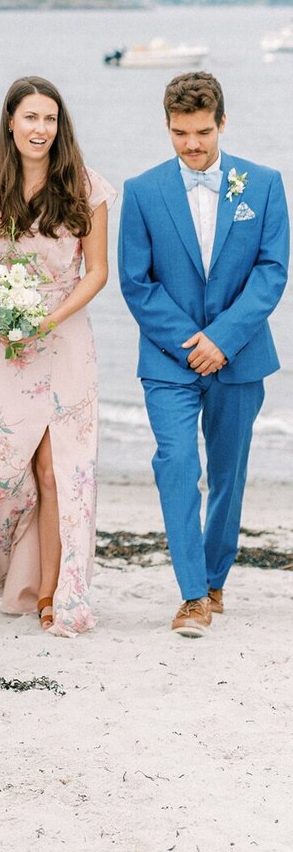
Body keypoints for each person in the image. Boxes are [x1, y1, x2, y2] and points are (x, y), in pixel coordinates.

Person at [0, 76, 112, 637]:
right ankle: (3, 572)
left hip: (63, 339)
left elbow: (98, 272)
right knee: (5, 470)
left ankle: (54, 591)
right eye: (30, 117)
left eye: (50, 119)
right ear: (10, 122)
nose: (41, 129)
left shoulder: (87, 187)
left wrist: (44, 320)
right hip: (0, 341)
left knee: (58, 472)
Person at [118, 72, 287, 637]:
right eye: (180, 132)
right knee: (177, 465)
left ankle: (215, 581)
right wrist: (193, 343)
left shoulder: (262, 185)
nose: (192, 144)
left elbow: (272, 271)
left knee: (227, 474)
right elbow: (136, 282)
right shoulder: (142, 191)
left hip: (239, 356)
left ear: (222, 124)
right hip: (169, 360)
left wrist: (224, 338)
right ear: (167, 126)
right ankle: (191, 595)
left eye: (203, 132)